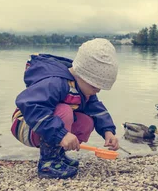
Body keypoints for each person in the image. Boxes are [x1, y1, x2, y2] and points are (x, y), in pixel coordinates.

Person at [11, 38, 120, 179]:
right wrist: (61, 134)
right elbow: (30, 104)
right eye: (94, 86)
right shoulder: (56, 82)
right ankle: (48, 162)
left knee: (86, 122)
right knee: (65, 111)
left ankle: (58, 155)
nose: (97, 91)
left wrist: (108, 131)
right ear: (82, 74)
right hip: (26, 124)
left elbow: (95, 108)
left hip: (48, 128)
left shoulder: (82, 87)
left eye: (100, 87)